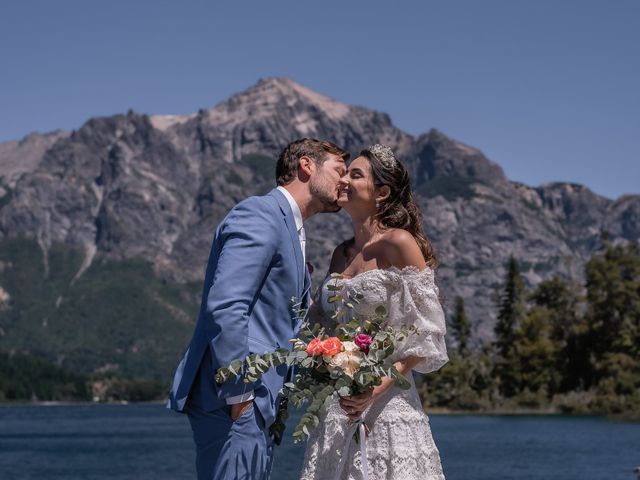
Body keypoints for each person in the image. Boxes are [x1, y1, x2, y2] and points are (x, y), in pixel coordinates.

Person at [167, 138, 349, 480]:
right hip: (235, 399)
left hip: (260, 402)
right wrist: (239, 392)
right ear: (306, 166)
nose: (346, 181)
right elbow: (226, 304)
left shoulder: (291, 229)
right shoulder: (260, 213)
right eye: (339, 170)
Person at [299, 144, 449, 480]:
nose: (344, 180)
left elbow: (427, 330)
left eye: (356, 174)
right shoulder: (340, 254)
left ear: (381, 192)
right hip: (338, 406)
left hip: (389, 403)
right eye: (345, 172)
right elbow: (324, 327)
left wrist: (378, 386)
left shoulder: (399, 243)